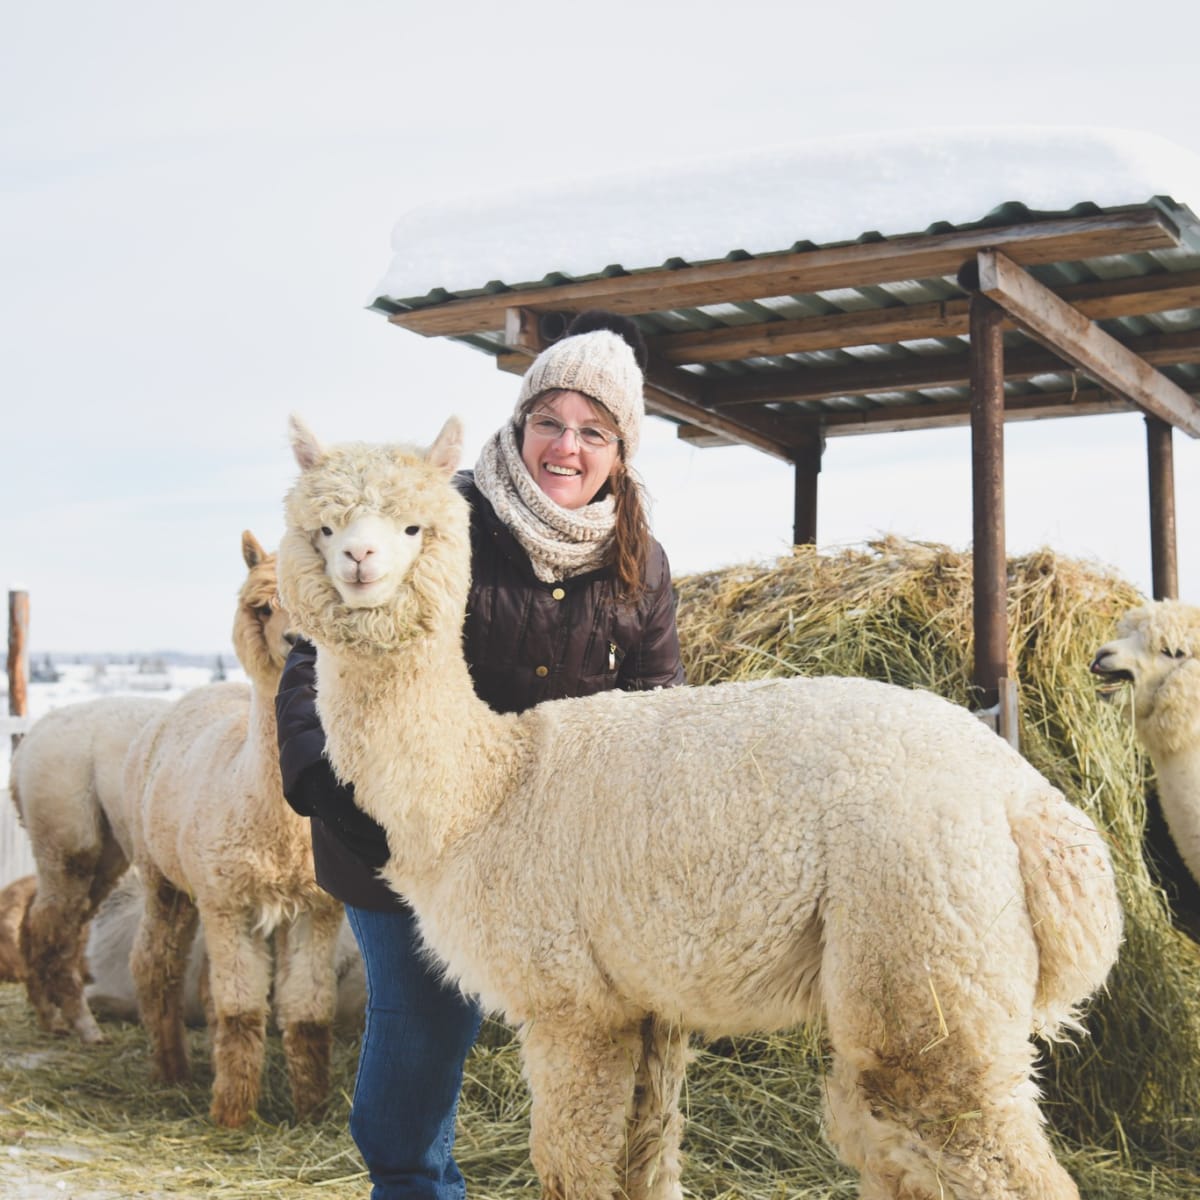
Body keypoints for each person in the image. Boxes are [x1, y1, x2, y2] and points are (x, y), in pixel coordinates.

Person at [275, 310, 686, 1200]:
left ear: (622, 449)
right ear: (520, 423)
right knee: (423, 1028)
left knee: (596, 1031)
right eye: (550, 422)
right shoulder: (438, 511)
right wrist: (322, 781)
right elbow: (320, 644)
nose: (566, 449)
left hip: (559, 850)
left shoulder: (637, 561)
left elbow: (661, 699)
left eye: (592, 432)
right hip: (404, 822)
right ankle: (413, 1186)